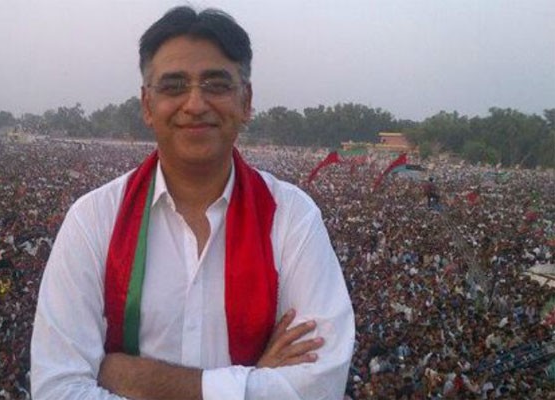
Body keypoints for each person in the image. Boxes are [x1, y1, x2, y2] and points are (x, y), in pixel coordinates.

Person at [31, 6, 354, 400]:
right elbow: (57, 389)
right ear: (147, 105)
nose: (196, 103)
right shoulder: (93, 219)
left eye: (216, 85)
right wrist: (254, 382)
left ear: (246, 101)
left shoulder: (292, 217)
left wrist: (137, 378)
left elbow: (319, 386)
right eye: (174, 86)